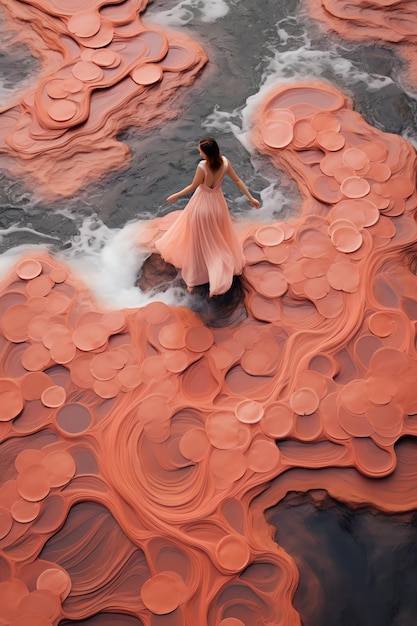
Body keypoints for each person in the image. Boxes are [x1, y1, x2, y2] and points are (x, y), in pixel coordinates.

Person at [155, 137, 260, 297]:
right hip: (217, 206)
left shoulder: (202, 167)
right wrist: (251, 197)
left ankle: (193, 280)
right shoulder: (224, 162)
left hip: (201, 206)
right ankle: (216, 274)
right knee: (215, 239)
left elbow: (193, 186)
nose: (199, 152)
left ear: (206, 153)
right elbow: (237, 180)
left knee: (198, 242)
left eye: (200, 151)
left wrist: (176, 195)